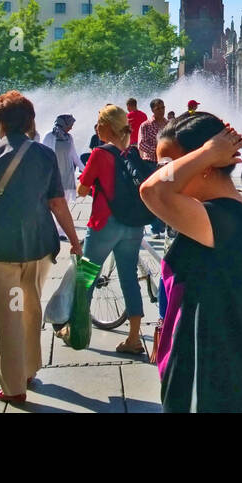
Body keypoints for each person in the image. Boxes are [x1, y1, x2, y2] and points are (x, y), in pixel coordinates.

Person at [138, 113, 242, 413]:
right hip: (232, 362)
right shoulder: (232, 207)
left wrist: (205, 153)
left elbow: (151, 191)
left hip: (210, 371)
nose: (164, 173)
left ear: (202, 168)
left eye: (169, 165)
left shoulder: (220, 218)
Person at [0, 92, 82, 404]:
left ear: (0, 123)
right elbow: (57, 203)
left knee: (8, 315)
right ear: (31, 121)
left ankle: (14, 385)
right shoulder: (44, 155)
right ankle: (30, 369)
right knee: (29, 307)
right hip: (38, 244)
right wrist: (73, 240)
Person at [76, 105, 146, 355]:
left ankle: (78, 332)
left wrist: (88, 184)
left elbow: (82, 189)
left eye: (98, 123)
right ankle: (134, 339)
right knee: (129, 279)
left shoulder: (99, 153)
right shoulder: (130, 154)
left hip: (104, 224)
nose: (96, 128)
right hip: (133, 226)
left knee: (85, 278)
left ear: (107, 126)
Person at [137, 98, 168, 235]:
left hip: (167, 162)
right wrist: (158, 150)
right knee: (154, 194)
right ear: (152, 110)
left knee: (167, 194)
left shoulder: (169, 124)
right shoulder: (146, 125)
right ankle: (155, 228)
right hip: (151, 163)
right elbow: (142, 144)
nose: (161, 110)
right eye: (158, 108)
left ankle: (165, 225)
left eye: (162, 107)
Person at [40, 114, 84, 203]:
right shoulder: (49, 136)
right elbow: (42, 155)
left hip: (67, 172)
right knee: (53, 201)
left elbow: (74, 155)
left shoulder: (69, 137)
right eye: (70, 125)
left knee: (64, 201)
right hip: (54, 172)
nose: (71, 128)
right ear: (64, 124)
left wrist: (84, 169)